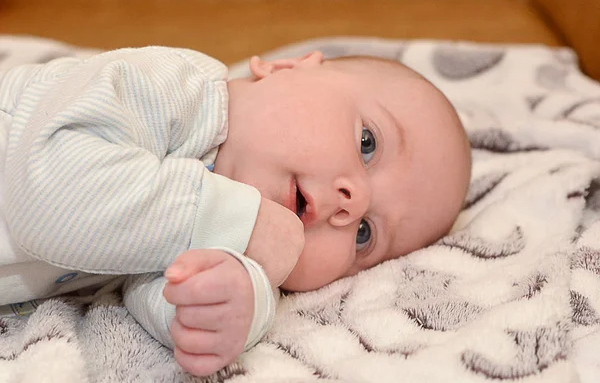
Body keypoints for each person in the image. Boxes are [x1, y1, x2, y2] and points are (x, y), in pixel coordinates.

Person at [0, 47, 471, 376]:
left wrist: (234, 304)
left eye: (365, 235)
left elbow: (152, 282)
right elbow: (46, 192)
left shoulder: (212, 224)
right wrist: (242, 222)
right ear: (285, 68)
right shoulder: (173, 90)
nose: (354, 203)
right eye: (367, 143)